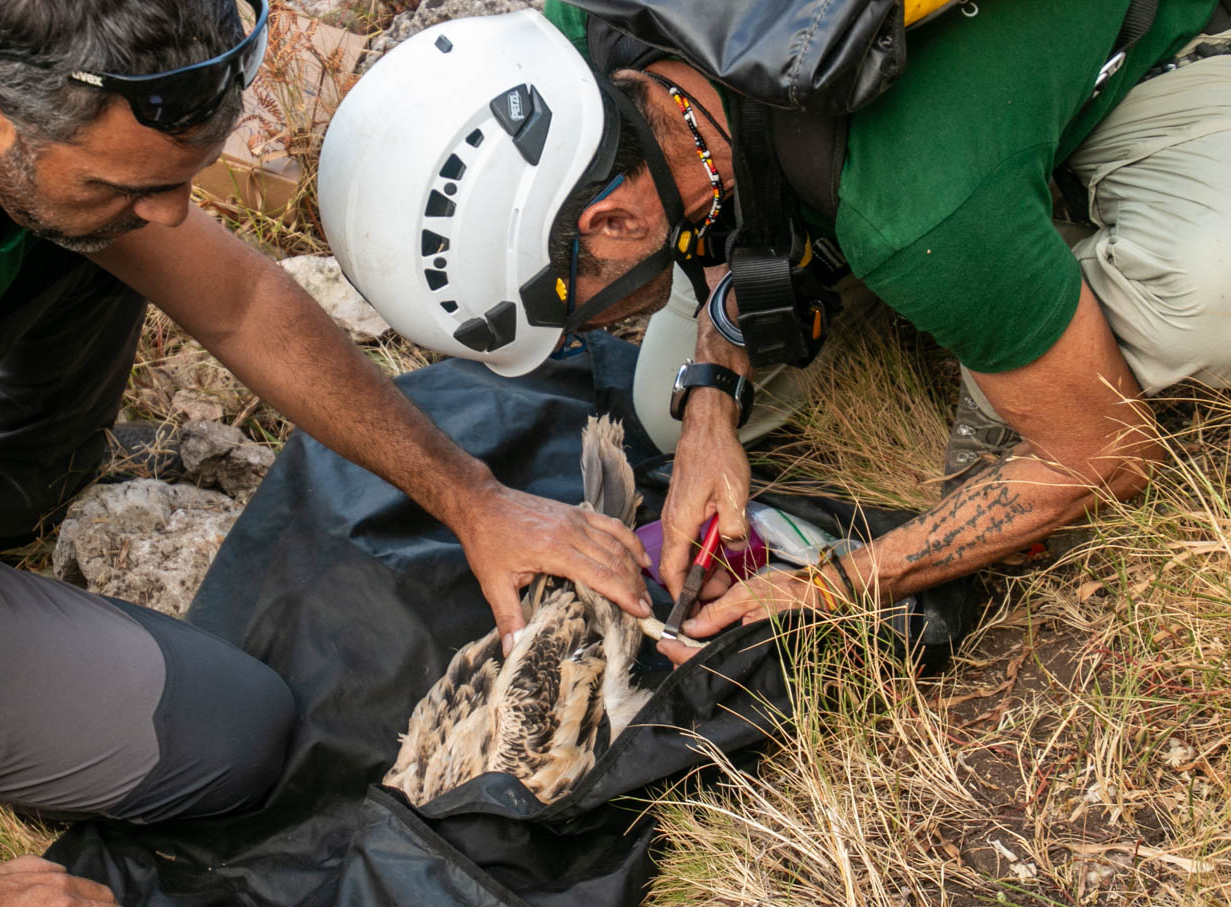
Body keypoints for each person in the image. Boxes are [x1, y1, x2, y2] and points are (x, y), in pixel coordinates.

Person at [0, 0, 654, 907]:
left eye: (183, 178)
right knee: (226, 742)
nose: (175, 213)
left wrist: (474, 498)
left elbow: (242, 301)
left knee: (87, 230)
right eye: (134, 178)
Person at [318, 1, 1231, 660]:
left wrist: (828, 586)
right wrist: (713, 401)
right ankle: (997, 262)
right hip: (859, 159)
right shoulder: (578, 42)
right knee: (666, 407)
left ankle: (1037, 261)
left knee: (1203, 291)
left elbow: (1101, 454)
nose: (592, 330)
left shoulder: (913, 208)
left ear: (607, 225)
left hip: (1138, 53)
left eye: (581, 312)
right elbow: (713, 182)